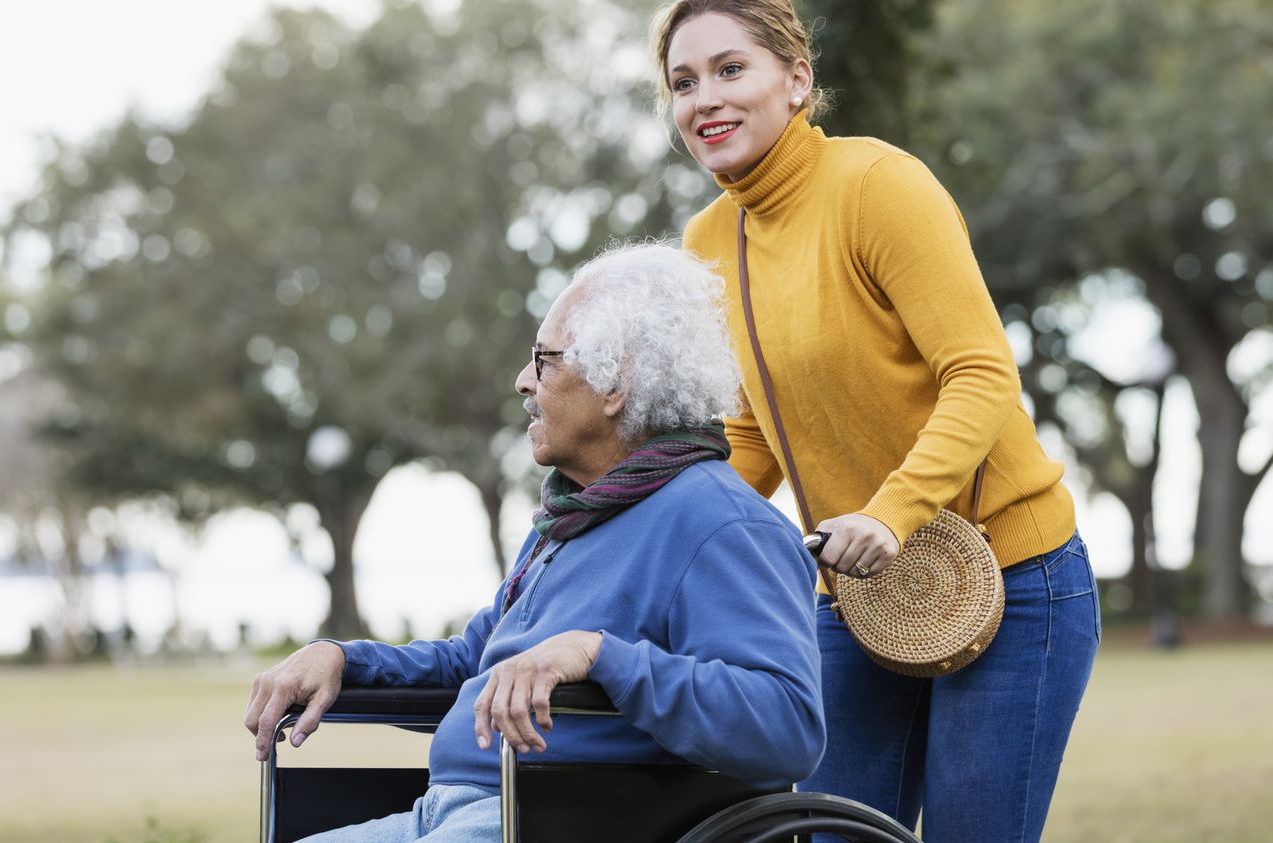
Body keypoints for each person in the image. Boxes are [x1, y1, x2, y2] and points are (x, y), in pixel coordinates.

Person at [650, 2, 1100, 841]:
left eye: (729, 69)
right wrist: (665, 542)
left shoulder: (876, 185)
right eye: (683, 82)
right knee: (822, 832)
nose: (703, 97)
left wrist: (891, 514)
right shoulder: (709, 240)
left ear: (798, 80)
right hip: (858, 596)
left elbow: (981, 372)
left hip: (1012, 575)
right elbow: (748, 434)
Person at [243, 243, 825, 842]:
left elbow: (786, 726)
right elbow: (476, 663)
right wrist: (344, 659)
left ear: (616, 383)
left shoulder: (724, 525)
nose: (524, 382)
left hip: (563, 818)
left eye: (544, 360)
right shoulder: (575, 512)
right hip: (455, 808)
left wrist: (600, 654)